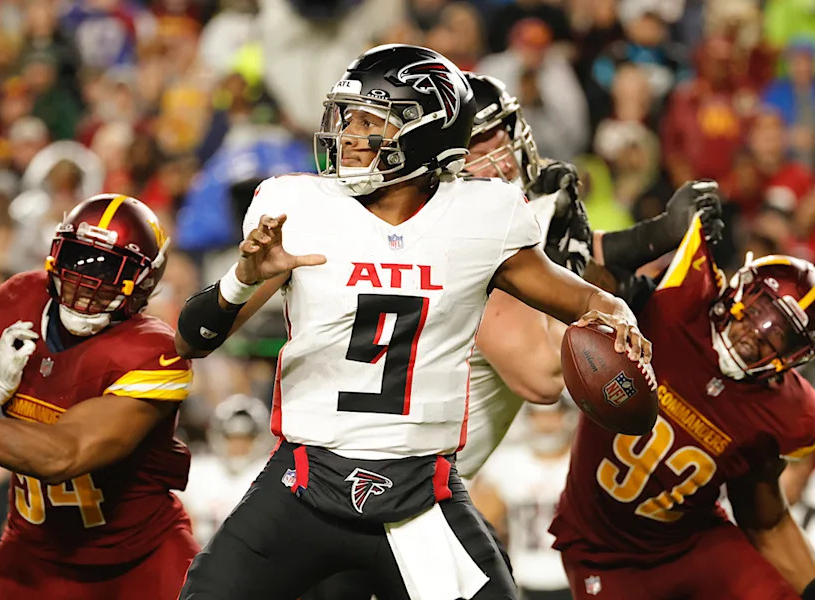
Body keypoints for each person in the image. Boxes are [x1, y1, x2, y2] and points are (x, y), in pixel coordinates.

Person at [175, 44, 650, 600]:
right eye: (347, 117)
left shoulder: (481, 216)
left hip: (421, 496)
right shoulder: (298, 207)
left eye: (370, 121)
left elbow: (587, 303)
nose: (348, 134)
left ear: (424, 135)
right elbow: (193, 338)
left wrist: (619, 320)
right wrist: (241, 279)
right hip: (303, 483)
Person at [458, 73, 723, 480]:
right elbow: (543, 379)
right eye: (479, 145)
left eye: (502, 134)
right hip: (393, 480)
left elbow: (567, 260)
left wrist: (657, 235)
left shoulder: (487, 220)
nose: (502, 157)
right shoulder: (466, 244)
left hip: (413, 475)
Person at [0, 194, 199, 599]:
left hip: (138, 557)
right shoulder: (20, 299)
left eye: (109, 270)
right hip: (33, 551)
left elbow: (61, 456)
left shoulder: (152, 350)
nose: (86, 282)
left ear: (145, 281)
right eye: (79, 260)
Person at [550, 214, 815, 599]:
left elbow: (765, 518)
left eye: (779, 336)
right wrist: (654, 232)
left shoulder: (784, 410)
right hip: (603, 552)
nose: (755, 335)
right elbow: (590, 280)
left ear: (795, 357)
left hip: (694, 544)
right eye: (757, 311)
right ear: (737, 290)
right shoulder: (676, 302)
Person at [471, 400, 578, 600]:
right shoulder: (507, 464)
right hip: (525, 579)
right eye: (538, 416)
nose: (546, 425)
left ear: (568, 416)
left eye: (553, 416)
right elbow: (478, 528)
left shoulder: (582, 465)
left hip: (575, 579)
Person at [178, 394, 273, 546]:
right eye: (233, 438)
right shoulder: (200, 471)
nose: (239, 446)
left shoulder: (269, 472)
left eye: (246, 438)